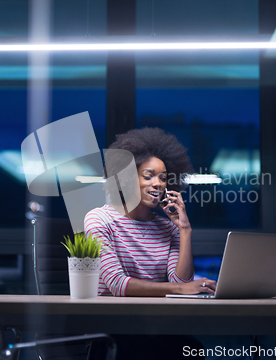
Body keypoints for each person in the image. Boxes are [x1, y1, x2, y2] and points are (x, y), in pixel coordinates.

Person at [84, 127, 216, 359]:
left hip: (152, 326)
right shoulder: (99, 219)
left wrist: (184, 229)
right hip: (111, 329)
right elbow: (117, 284)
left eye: (163, 178)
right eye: (148, 176)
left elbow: (181, 281)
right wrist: (180, 289)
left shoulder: (168, 227)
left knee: (191, 350)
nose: (158, 184)